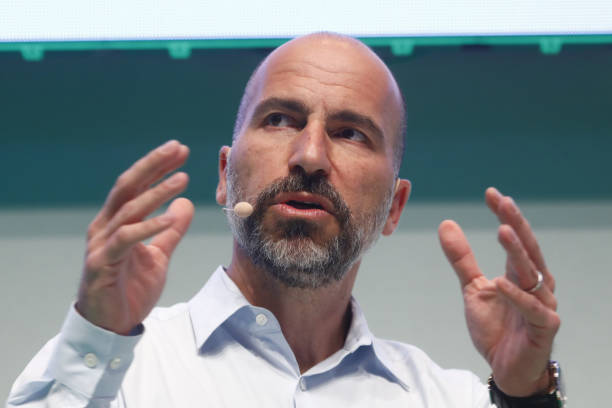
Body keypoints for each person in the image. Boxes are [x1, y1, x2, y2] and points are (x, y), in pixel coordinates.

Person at [7, 32, 563, 407]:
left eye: (350, 133)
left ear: (393, 208)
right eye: (279, 120)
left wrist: (527, 396)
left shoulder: (450, 399)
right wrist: (99, 334)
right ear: (225, 177)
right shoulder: (111, 372)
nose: (310, 156)